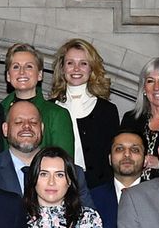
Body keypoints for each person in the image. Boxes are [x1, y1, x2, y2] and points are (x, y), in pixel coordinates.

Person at [52, 37, 122, 185]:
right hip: (56, 186)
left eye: (83, 63)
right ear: (62, 68)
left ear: (92, 69)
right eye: (70, 63)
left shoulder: (107, 111)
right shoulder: (50, 108)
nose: (76, 69)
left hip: (98, 190)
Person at [0, 42, 77, 159]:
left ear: (40, 75)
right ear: (8, 76)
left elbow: (65, 163)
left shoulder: (56, 114)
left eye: (29, 66)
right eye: (16, 66)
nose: (22, 72)